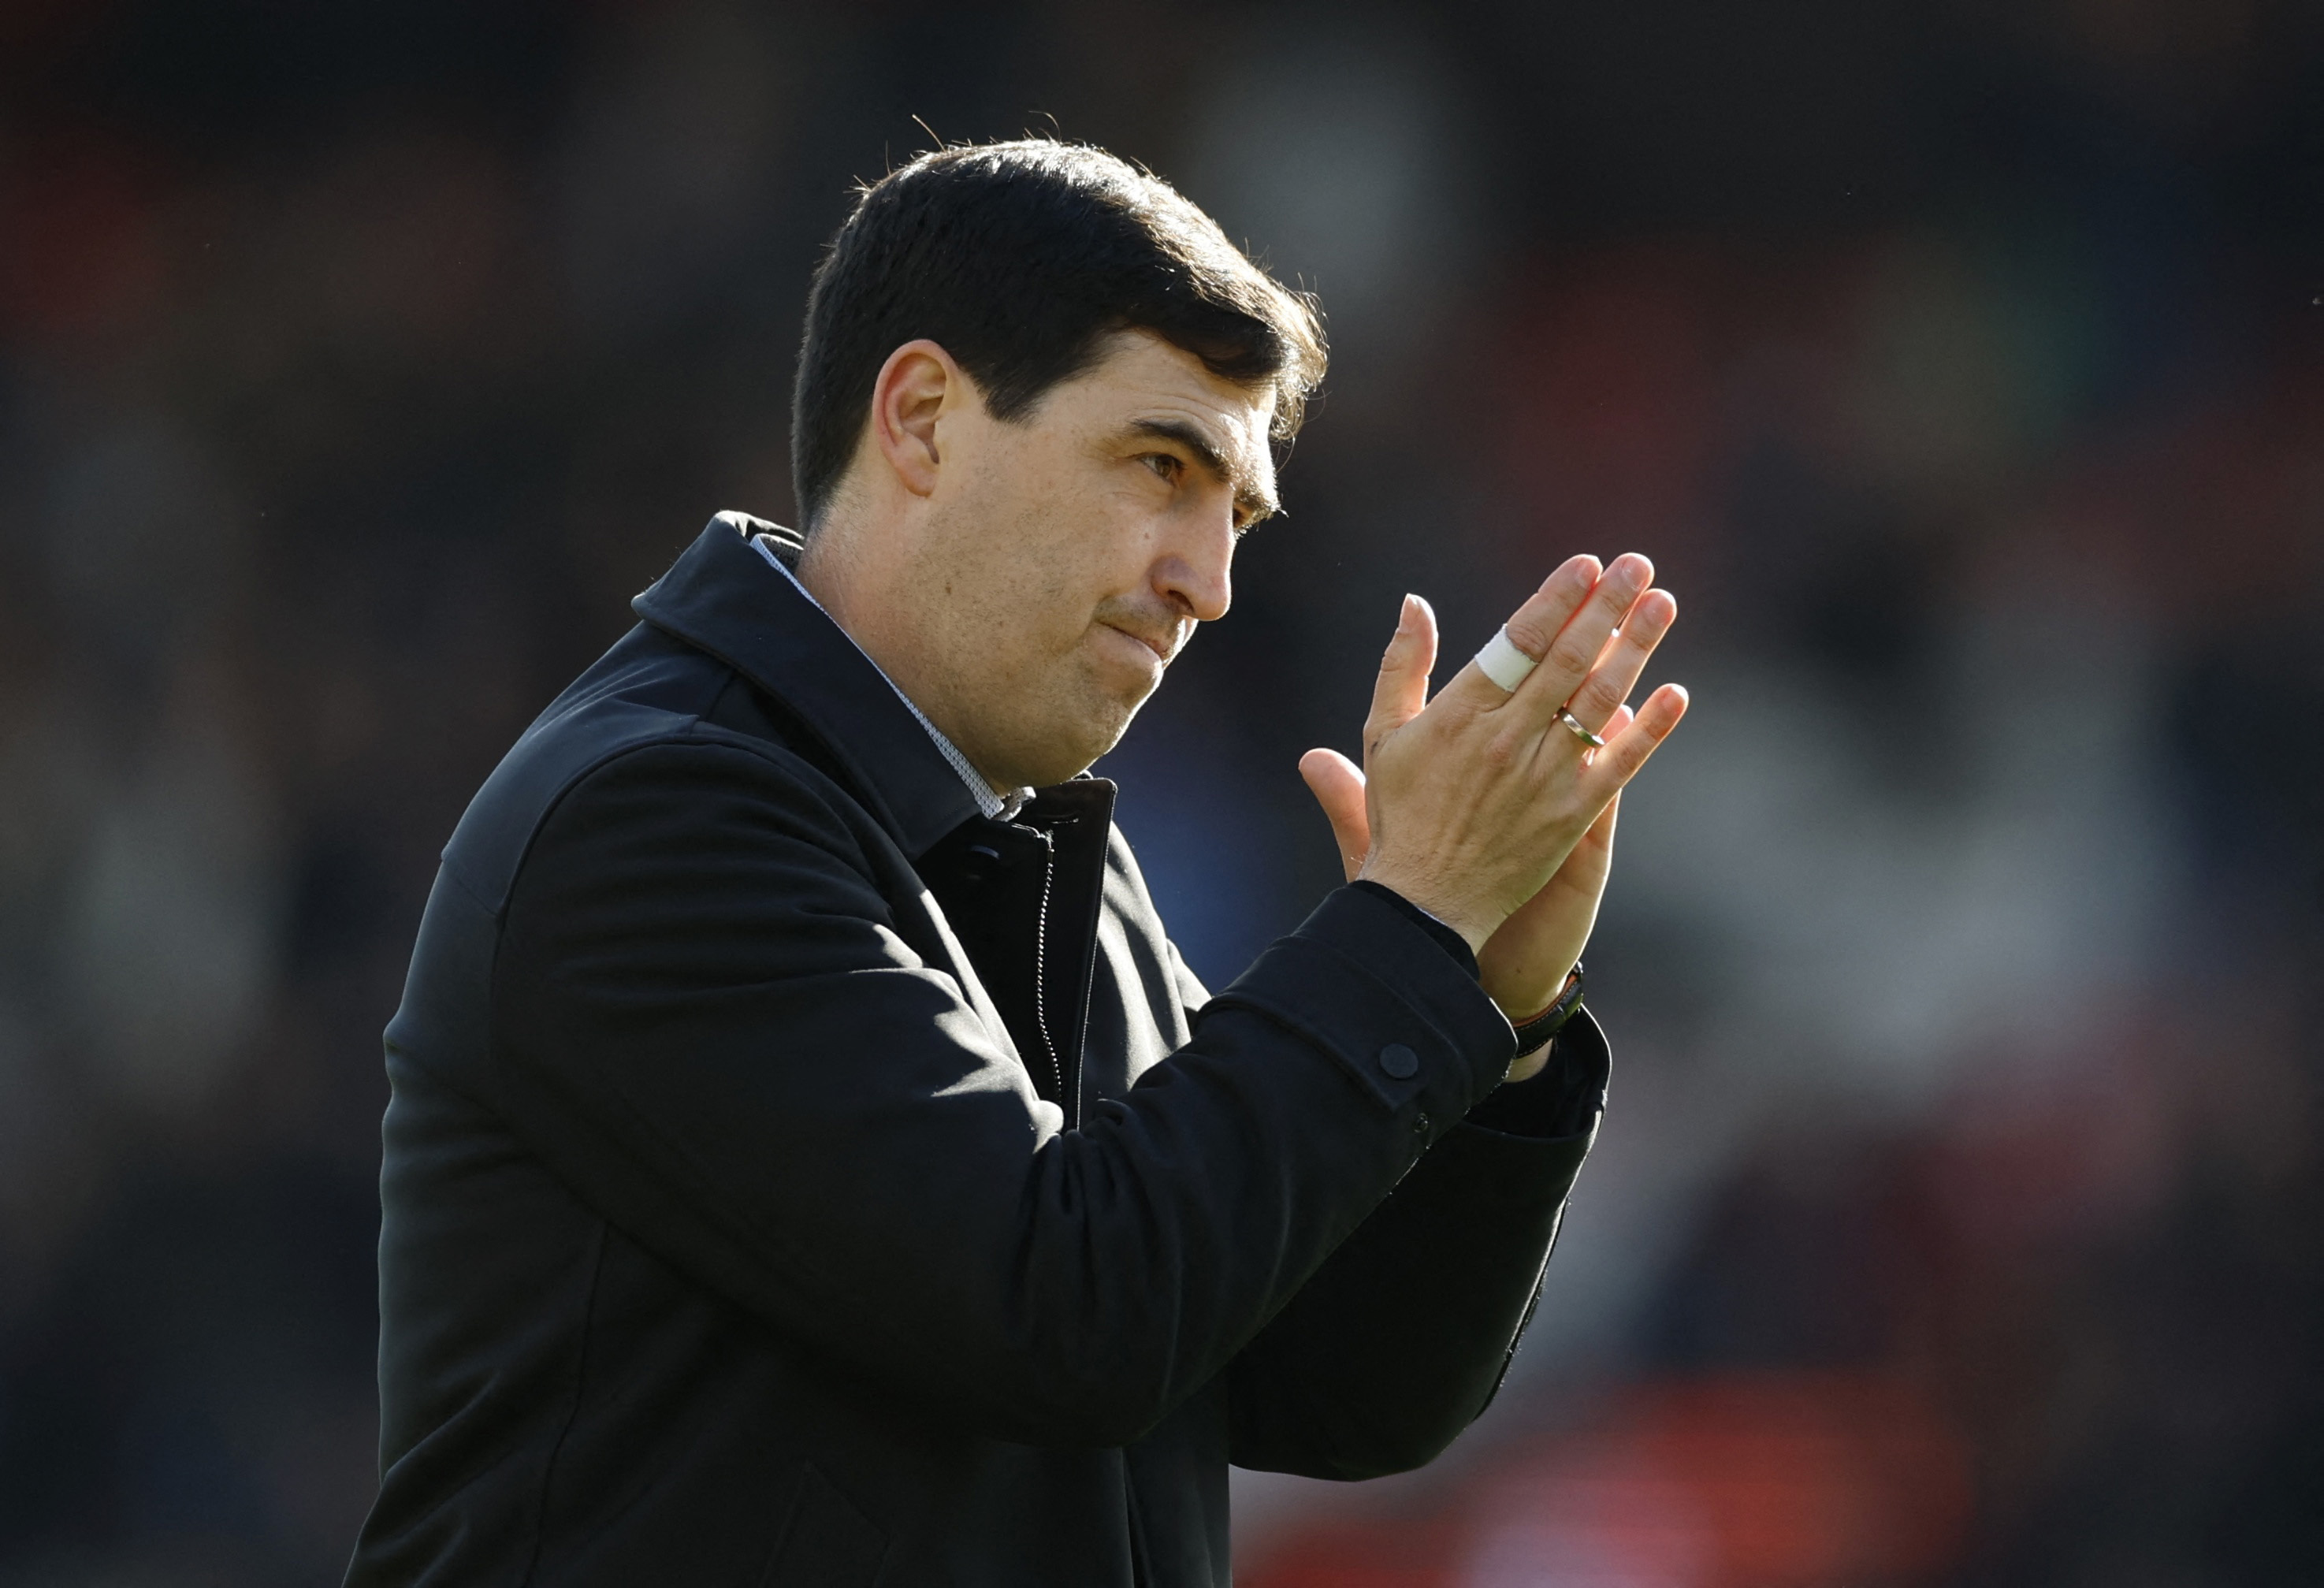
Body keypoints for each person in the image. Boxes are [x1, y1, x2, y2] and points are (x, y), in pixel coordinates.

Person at [344, 139, 1686, 1588]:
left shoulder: (1038, 855)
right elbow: (1065, 1310)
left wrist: (1495, 1014)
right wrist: (1404, 929)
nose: (1208, 582)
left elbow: (1334, 1386)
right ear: (920, 418)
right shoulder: (656, 818)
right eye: (1159, 467)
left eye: (1233, 515)